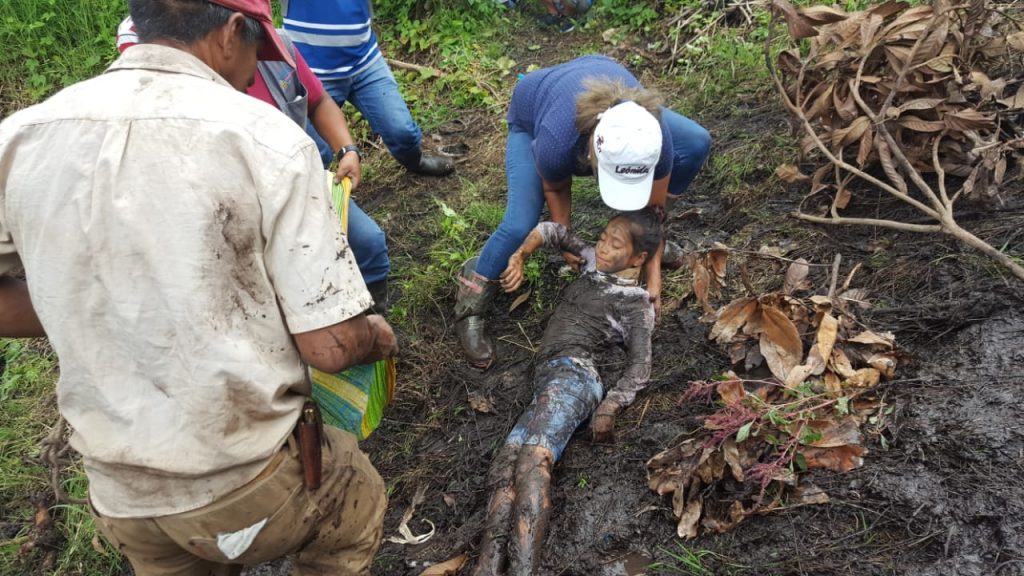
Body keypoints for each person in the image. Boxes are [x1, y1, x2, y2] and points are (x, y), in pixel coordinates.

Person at [0, 0, 398, 574]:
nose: (257, 66)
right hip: (240, 478)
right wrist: (377, 336)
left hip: (120, 495)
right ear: (234, 31)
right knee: (353, 505)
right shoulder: (265, 139)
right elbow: (330, 346)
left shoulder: (22, 136)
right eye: (259, 45)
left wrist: (88, 298)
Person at [117, 15, 391, 312]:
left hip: (298, 187)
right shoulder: (172, 91)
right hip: (238, 212)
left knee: (369, 244)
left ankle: (370, 315)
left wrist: (348, 150)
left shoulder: (278, 48)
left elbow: (317, 100)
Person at [455, 55, 711, 369]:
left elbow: (653, 211)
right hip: (534, 109)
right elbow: (556, 188)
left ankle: (638, 246)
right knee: (520, 221)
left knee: (696, 142)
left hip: (603, 81)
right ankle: (471, 300)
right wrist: (566, 247)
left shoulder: (653, 137)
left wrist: (653, 276)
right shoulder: (556, 142)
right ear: (592, 153)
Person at [473, 209, 661, 576]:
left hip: (575, 377)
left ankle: (523, 570)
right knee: (504, 467)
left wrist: (611, 404)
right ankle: (486, 568)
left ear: (638, 258)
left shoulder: (636, 301)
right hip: (547, 380)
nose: (603, 248)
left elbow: (640, 365)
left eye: (615, 245)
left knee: (532, 464)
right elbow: (551, 230)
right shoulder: (591, 261)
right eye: (604, 237)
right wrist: (520, 254)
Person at [281, 0, 455, 177]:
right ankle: (319, 195)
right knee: (314, 152)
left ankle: (416, 162)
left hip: (365, 62)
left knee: (402, 132)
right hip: (310, 72)